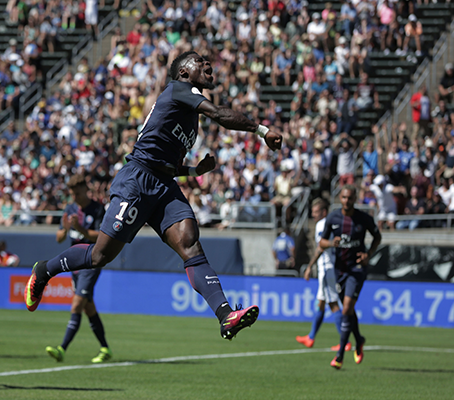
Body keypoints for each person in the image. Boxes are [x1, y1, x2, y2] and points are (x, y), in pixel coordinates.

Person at [24, 51, 283, 341]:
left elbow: (166, 162)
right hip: (137, 179)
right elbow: (220, 115)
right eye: (200, 61)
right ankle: (44, 271)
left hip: (162, 184)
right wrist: (261, 130)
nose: (208, 64)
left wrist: (194, 170)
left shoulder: (188, 113)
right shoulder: (178, 90)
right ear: (183, 72)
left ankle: (226, 316)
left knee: (190, 244)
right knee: (99, 255)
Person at [45, 174, 111, 364]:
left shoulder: (97, 209)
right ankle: (105, 348)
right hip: (74, 262)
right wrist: (65, 229)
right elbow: (59, 238)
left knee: (77, 304)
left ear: (86, 190)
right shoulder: (70, 209)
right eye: (73, 194)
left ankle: (62, 348)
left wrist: (80, 229)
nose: (75, 197)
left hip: (91, 261)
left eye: (78, 193)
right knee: (88, 307)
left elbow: (100, 237)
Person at [320, 185, 381, 370]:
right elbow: (321, 242)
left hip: (356, 269)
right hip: (339, 270)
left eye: (350, 198)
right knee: (349, 309)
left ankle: (339, 356)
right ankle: (359, 339)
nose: (347, 201)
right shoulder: (333, 217)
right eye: (344, 197)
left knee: (346, 308)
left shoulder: (363, 218)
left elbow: (377, 237)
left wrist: (368, 254)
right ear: (340, 198)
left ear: (355, 198)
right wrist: (332, 243)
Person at [296, 198, 351, 352]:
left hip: (327, 268)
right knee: (321, 301)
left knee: (333, 303)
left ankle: (345, 341)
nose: (313, 215)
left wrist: (309, 266)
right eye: (312, 212)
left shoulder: (323, 224)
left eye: (316, 212)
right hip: (331, 267)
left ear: (324, 212)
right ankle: (311, 337)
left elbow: (321, 246)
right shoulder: (335, 224)